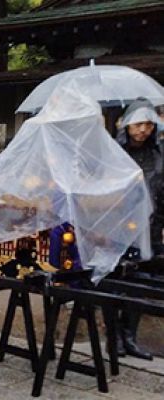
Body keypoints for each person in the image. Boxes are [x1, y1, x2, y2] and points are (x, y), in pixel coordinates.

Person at [114, 99, 161, 361]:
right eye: (138, 123)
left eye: (148, 124)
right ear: (127, 123)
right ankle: (114, 337)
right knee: (116, 282)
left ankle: (130, 336)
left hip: (150, 227)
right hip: (119, 227)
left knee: (140, 284)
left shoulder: (158, 154)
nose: (143, 129)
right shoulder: (113, 152)